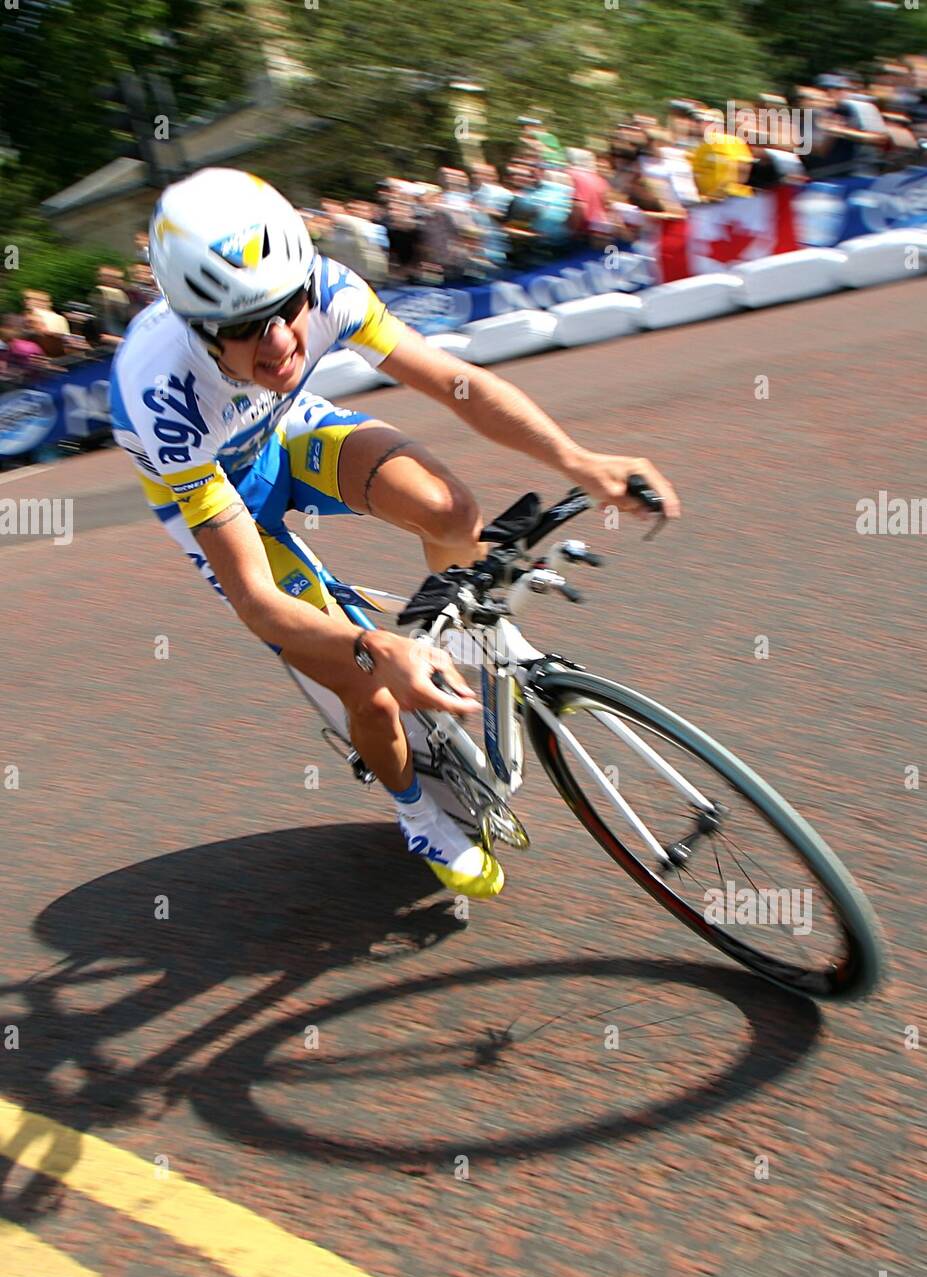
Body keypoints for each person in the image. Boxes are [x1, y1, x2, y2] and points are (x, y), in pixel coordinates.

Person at [111, 168, 678, 900]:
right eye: (248, 328)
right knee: (367, 685)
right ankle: (419, 815)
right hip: (216, 492)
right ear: (197, 327)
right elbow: (254, 598)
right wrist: (374, 648)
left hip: (284, 430)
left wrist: (580, 460)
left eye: (288, 308)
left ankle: (447, 649)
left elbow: (453, 383)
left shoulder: (332, 288)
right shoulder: (161, 394)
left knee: (449, 510)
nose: (281, 341)